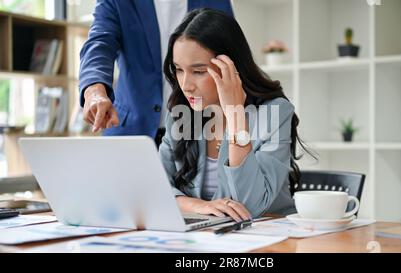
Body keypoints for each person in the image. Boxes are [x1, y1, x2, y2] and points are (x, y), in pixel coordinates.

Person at [159, 8, 312, 221]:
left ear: (231, 67)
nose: (185, 85)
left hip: (268, 238)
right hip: (205, 238)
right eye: (179, 69)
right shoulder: (181, 114)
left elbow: (251, 206)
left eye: (199, 71)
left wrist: (235, 115)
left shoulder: (274, 113)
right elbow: (155, 191)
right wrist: (198, 206)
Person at [79, 0, 233, 145]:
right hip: (132, 131)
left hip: (201, 130)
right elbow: (99, 43)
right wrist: (94, 90)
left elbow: (230, 52)